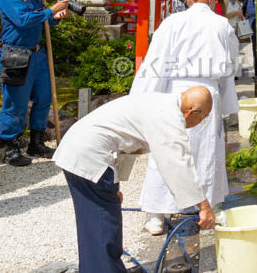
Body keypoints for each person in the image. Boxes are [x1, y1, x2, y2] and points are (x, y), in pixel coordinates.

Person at [53, 88, 217, 272]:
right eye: (203, 118)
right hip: (89, 155)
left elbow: (123, 141)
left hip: (81, 151)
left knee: (96, 222)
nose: (200, 122)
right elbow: (177, 164)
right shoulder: (168, 117)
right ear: (193, 111)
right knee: (102, 224)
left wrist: (113, 187)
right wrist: (203, 206)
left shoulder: (161, 103)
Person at [131, 0, 238, 235]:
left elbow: (155, 64)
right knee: (207, 151)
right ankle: (209, 206)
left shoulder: (171, 23)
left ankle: (157, 212)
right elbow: (230, 66)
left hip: (175, 93)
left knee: (169, 149)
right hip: (208, 94)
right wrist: (226, 104)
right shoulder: (221, 24)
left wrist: (142, 102)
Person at [0, 0, 70, 166]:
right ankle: (11, 148)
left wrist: (54, 18)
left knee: (45, 97)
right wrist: (50, 11)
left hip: (37, 53)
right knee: (15, 103)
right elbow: (23, 20)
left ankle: (36, 143)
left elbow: (39, 22)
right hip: (15, 54)